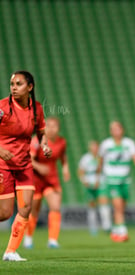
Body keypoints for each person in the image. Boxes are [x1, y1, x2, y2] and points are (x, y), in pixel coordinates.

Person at [0, 71, 51, 261]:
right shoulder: (2, 107)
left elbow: (41, 132)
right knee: (5, 213)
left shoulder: (36, 108)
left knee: (26, 207)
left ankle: (10, 251)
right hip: (3, 164)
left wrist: (44, 144)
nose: (14, 87)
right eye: (12, 84)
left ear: (30, 87)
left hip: (24, 165)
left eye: (19, 84)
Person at [23, 116, 70, 249]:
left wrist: (66, 169)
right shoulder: (36, 141)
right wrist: (39, 167)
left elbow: (63, 156)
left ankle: (53, 240)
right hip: (35, 179)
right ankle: (28, 237)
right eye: (48, 125)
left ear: (58, 129)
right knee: (34, 210)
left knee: (55, 207)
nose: (50, 128)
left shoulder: (61, 142)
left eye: (54, 126)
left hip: (52, 178)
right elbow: (29, 159)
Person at [97, 120, 135, 242]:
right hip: (111, 180)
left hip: (125, 180)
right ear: (111, 131)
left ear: (122, 130)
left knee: (121, 207)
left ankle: (115, 231)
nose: (116, 131)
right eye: (113, 129)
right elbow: (101, 159)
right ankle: (123, 232)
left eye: (118, 128)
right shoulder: (106, 144)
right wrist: (99, 174)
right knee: (118, 206)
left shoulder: (129, 143)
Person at [77, 140, 100, 235]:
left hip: (101, 184)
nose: (94, 148)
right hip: (90, 185)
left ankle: (108, 225)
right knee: (92, 206)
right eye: (93, 147)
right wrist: (84, 181)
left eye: (96, 146)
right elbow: (80, 171)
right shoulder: (86, 158)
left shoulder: (101, 158)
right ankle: (93, 227)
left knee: (104, 204)